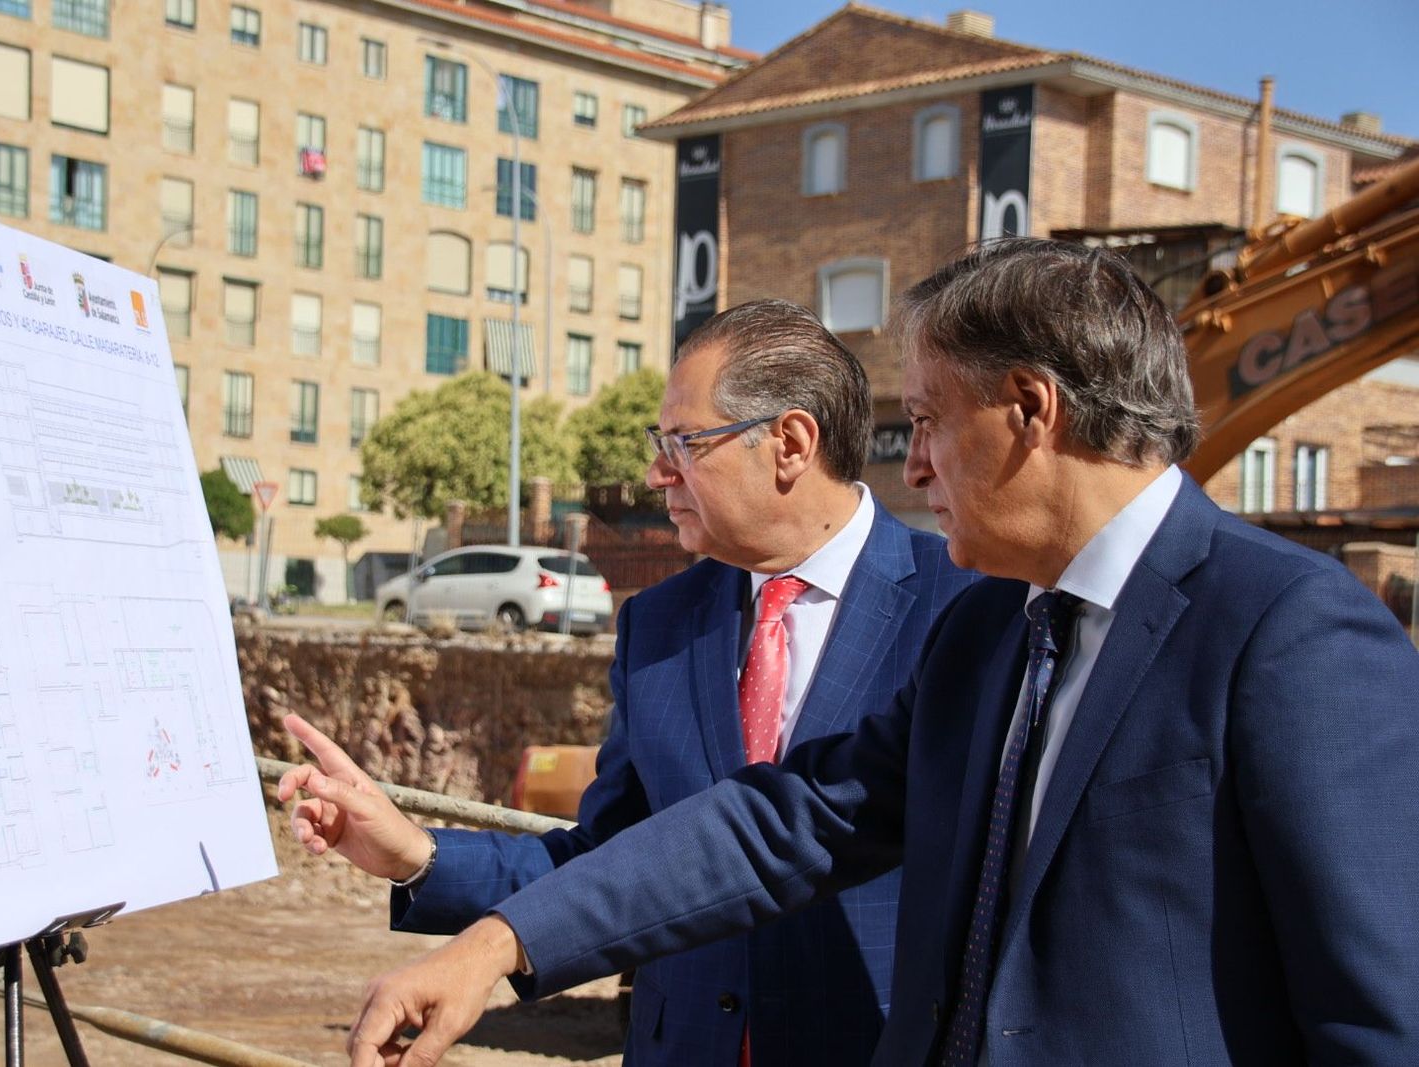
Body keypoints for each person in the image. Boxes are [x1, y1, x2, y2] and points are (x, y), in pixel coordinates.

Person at [335, 238, 1419, 1067]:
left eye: (930, 422)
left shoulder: (1287, 631)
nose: (917, 463)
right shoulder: (991, 632)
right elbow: (779, 823)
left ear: (1030, 410)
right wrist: (495, 943)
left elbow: (1380, 1012)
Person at [279, 299, 977, 1066]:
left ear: (789, 442)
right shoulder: (659, 624)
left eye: (684, 442)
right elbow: (610, 860)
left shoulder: (967, 607)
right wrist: (415, 853)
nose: (655, 473)